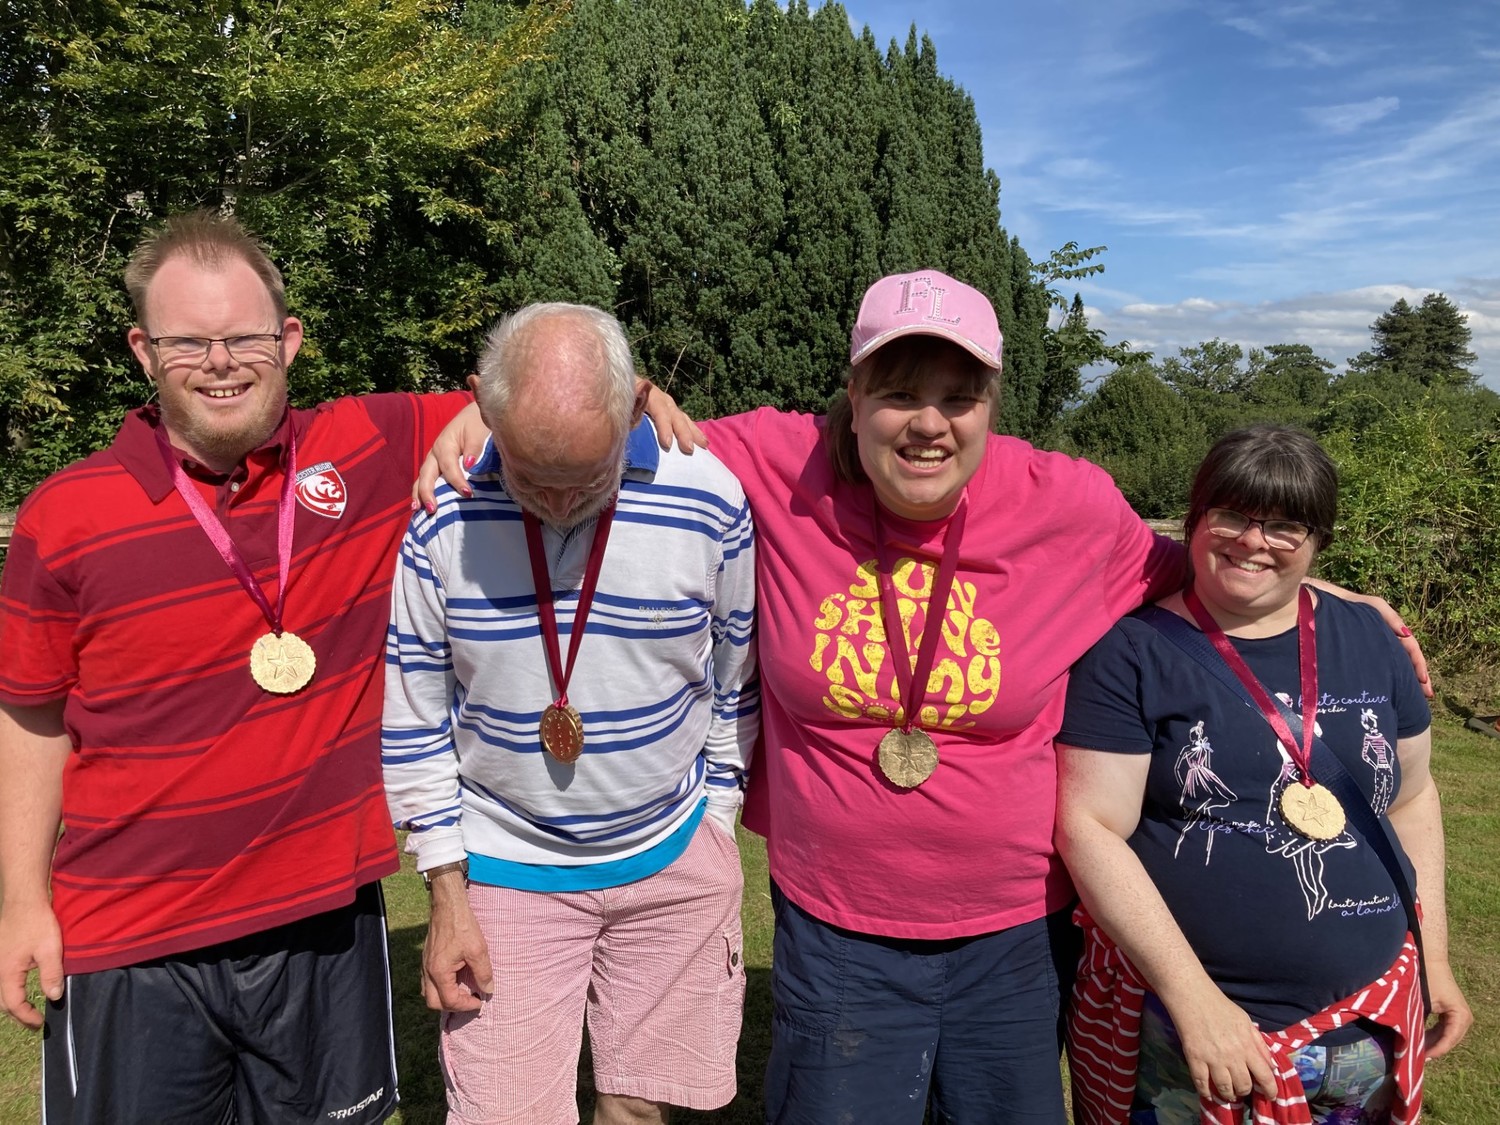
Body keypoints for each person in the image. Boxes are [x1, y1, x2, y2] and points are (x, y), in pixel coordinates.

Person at [419, 271, 1428, 1125]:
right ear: (853, 398)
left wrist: (1332, 593)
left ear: (993, 404)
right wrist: (476, 417)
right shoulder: (777, 464)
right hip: (835, 925)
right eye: (899, 392)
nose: (929, 423)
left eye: (960, 395)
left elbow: (1211, 570)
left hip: (1015, 930)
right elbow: (581, 420)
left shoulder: (1066, 505)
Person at [0, 209, 471, 1123]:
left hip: (323, 921)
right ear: (143, 349)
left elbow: (539, 391)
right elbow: (30, 717)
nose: (221, 360)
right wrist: (20, 898)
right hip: (129, 942)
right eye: (189, 341)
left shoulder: (366, 445)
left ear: (288, 339)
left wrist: (635, 389)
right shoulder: (65, 516)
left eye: (245, 336)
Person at [381, 302, 758, 1125]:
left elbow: (734, 679)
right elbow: (414, 713)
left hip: (670, 857)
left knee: (638, 1110)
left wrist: (718, 822)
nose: (556, 503)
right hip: (505, 867)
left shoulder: (710, 496)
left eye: (585, 479)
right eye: (530, 476)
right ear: (483, 406)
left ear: (632, 409)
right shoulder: (442, 509)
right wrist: (446, 892)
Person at [1056, 425, 1471, 1124]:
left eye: (1284, 524)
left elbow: (1412, 798)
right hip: (1193, 1030)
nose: (1254, 541)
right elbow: (1089, 826)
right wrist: (1196, 1001)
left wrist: (1435, 956)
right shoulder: (1131, 652)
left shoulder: (1372, 638)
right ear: (1195, 520)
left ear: (1317, 542)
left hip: (1364, 1020)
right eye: (1232, 515)